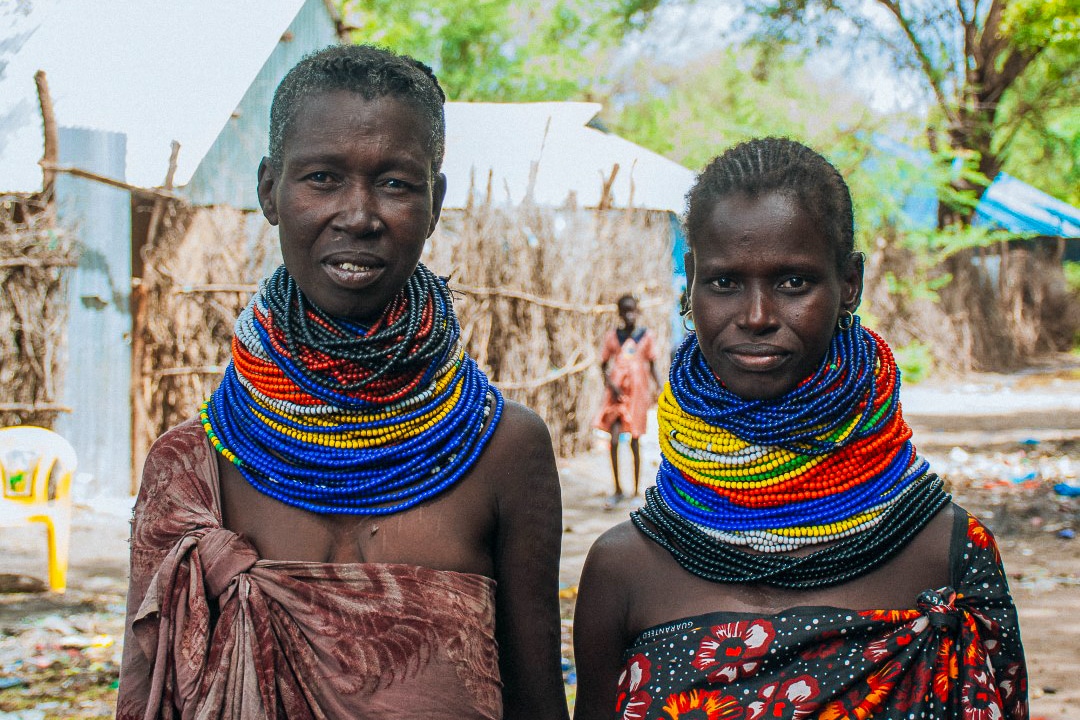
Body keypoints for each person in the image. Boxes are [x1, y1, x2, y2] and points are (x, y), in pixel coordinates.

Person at [117, 45, 570, 720]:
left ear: (435, 201)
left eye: (395, 183)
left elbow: (537, 705)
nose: (358, 214)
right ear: (269, 190)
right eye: (323, 178)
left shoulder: (505, 450)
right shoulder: (191, 470)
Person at [572, 138, 1027, 719]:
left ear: (851, 284)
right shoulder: (623, 569)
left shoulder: (948, 557)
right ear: (690, 285)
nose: (757, 316)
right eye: (725, 282)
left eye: (792, 282)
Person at [594, 294, 660, 502]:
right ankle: (617, 489)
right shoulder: (613, 336)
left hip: (638, 394)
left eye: (633, 310)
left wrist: (661, 386)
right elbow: (603, 365)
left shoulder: (646, 336)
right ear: (620, 313)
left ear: (637, 311)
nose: (630, 314)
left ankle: (635, 491)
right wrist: (611, 385)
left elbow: (653, 365)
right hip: (617, 395)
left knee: (635, 440)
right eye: (625, 311)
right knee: (613, 440)